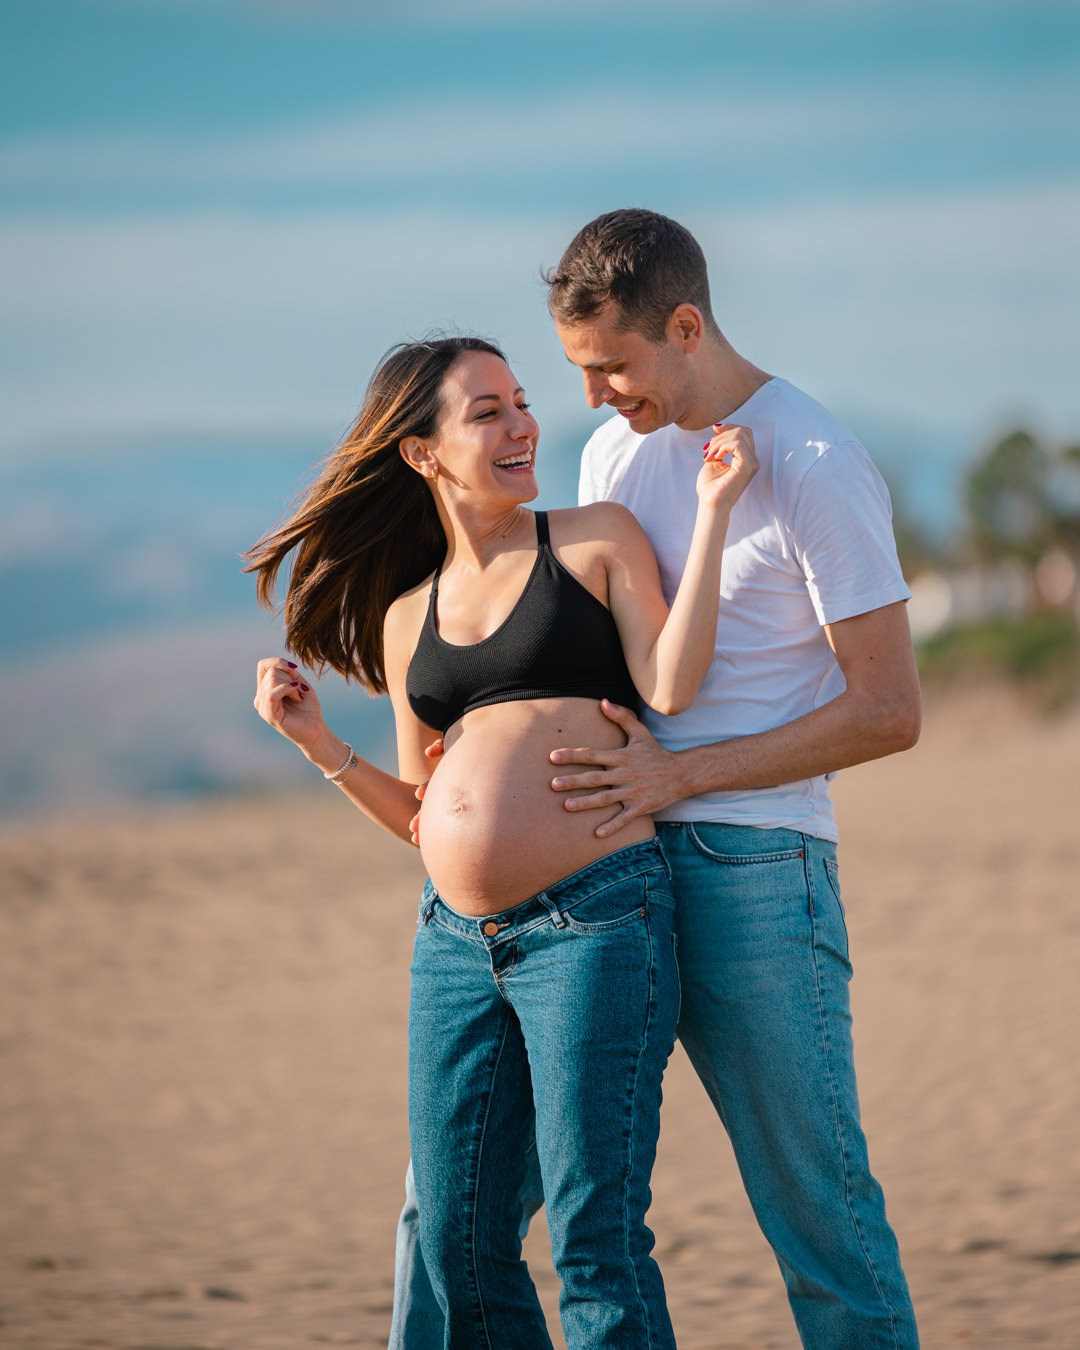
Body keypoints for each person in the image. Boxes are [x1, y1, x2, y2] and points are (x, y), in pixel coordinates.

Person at [391, 213, 922, 1349]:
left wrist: (678, 778)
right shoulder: (616, 454)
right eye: (575, 372)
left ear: (685, 328)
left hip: (754, 871)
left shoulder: (816, 461)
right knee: (449, 1209)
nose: (590, 399)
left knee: (816, 1211)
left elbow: (889, 709)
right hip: (593, 890)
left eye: (610, 367)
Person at [245, 335, 757, 1349]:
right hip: (452, 947)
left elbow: (671, 685)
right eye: (487, 412)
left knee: (593, 1241)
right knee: (456, 1240)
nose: (522, 423)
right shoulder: (405, 620)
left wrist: (713, 514)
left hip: (597, 922)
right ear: (422, 453)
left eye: (520, 402)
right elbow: (425, 817)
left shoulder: (592, 539)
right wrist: (319, 746)